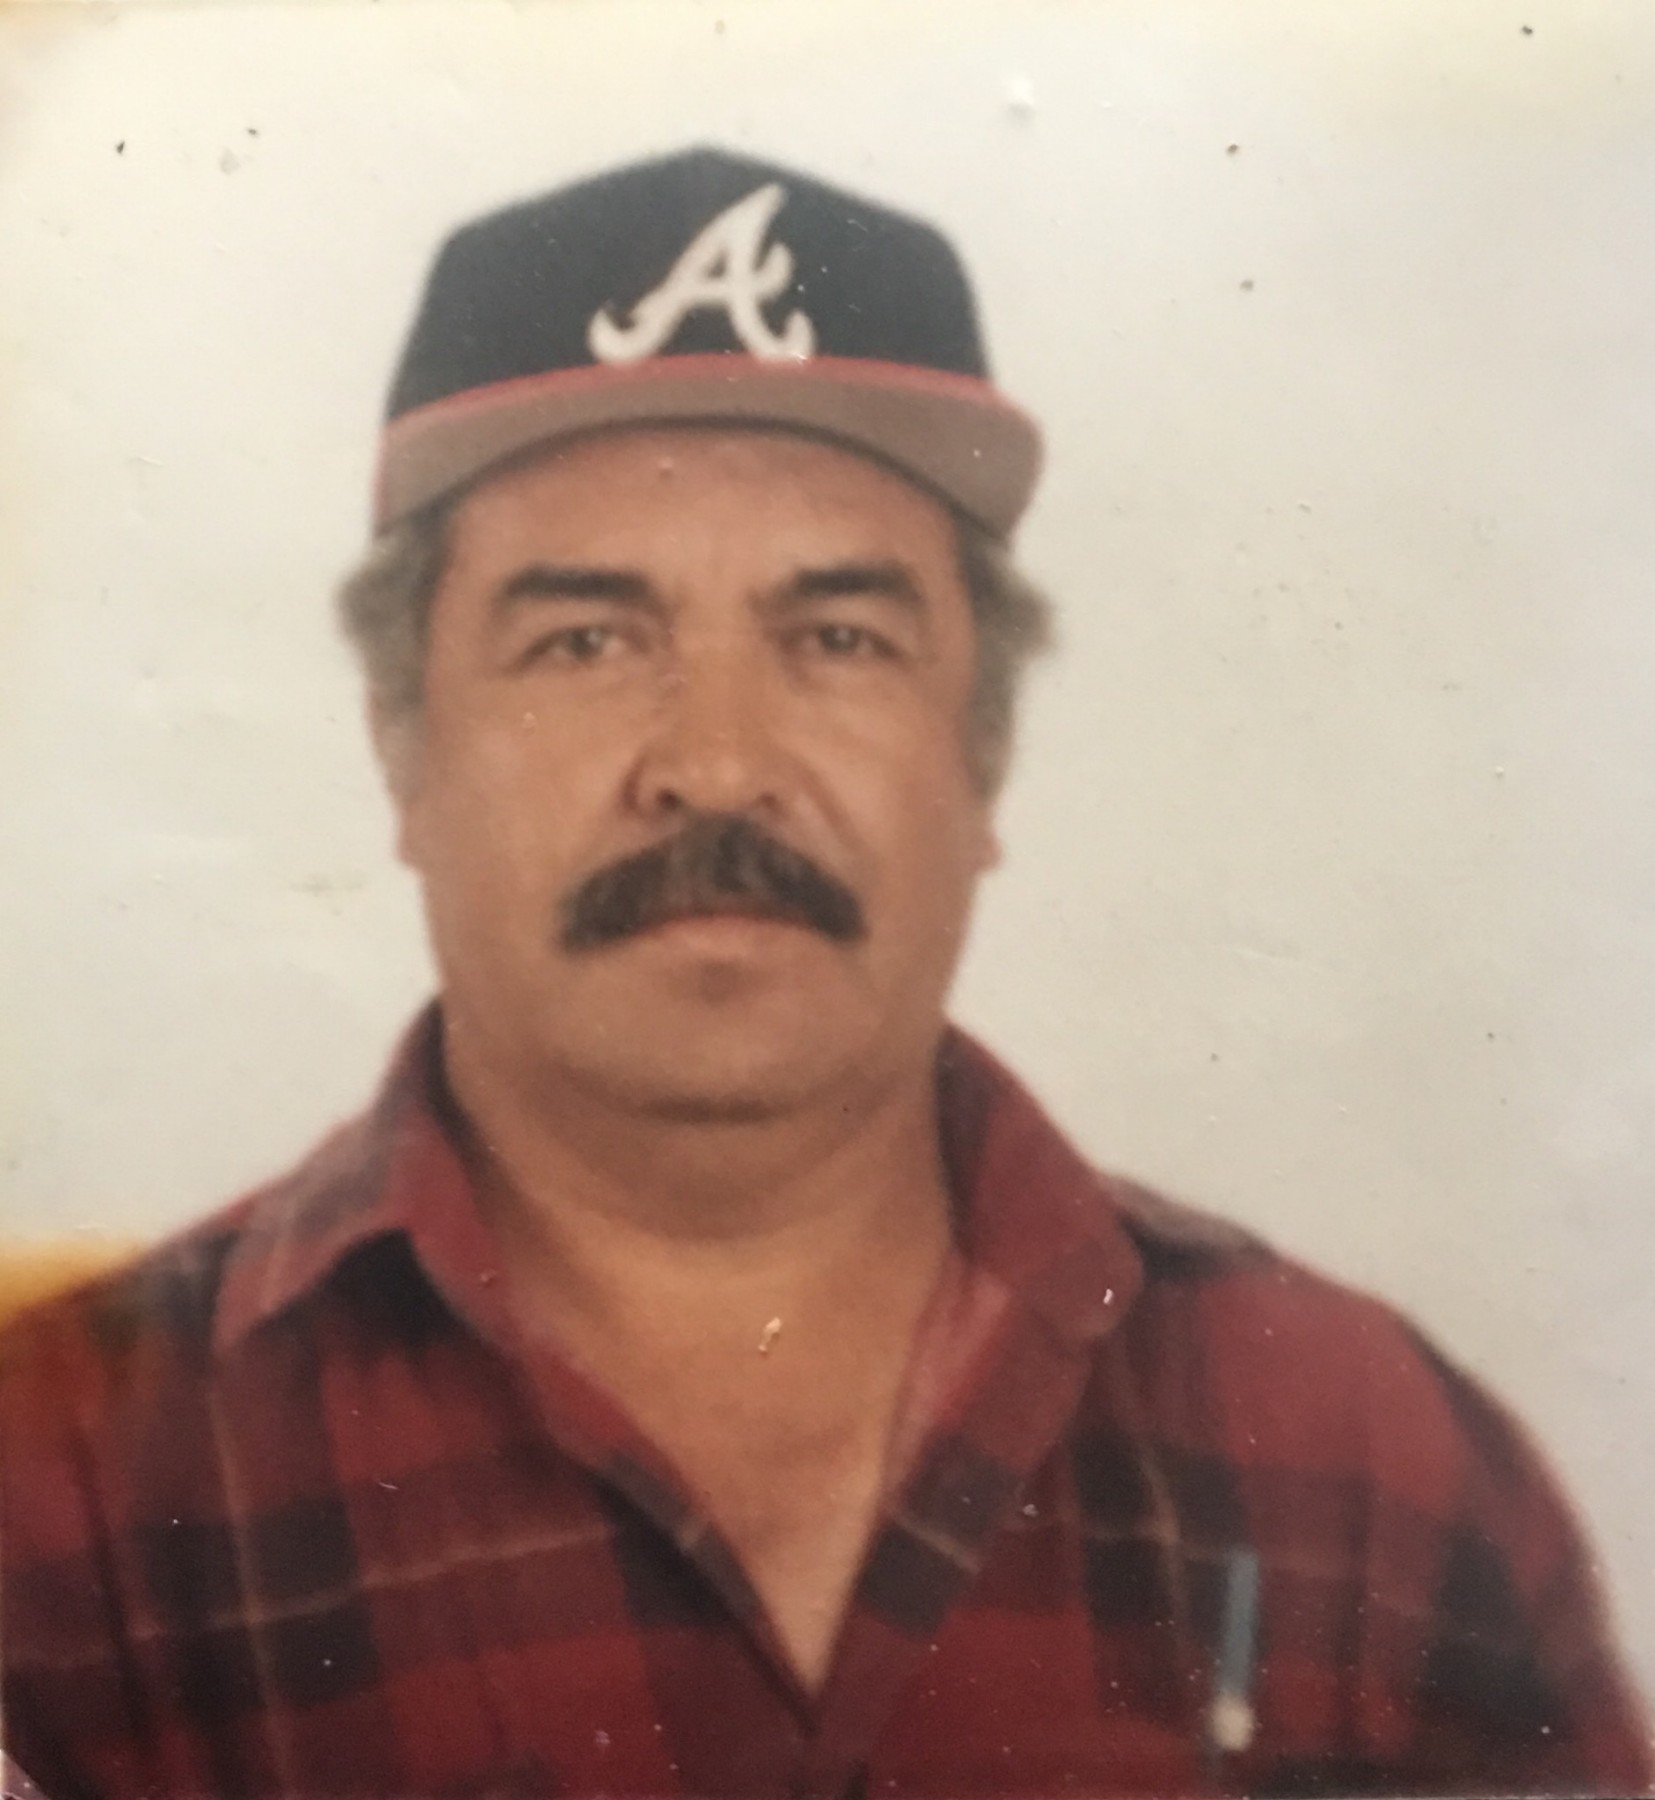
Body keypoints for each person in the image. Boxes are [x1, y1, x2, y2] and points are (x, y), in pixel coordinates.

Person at [0, 147, 1648, 1800]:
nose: (717, 764)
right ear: (402, 752)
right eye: (586, 639)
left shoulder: (1365, 1457)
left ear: (982, 756)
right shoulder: (59, 1481)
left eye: (838, 637)